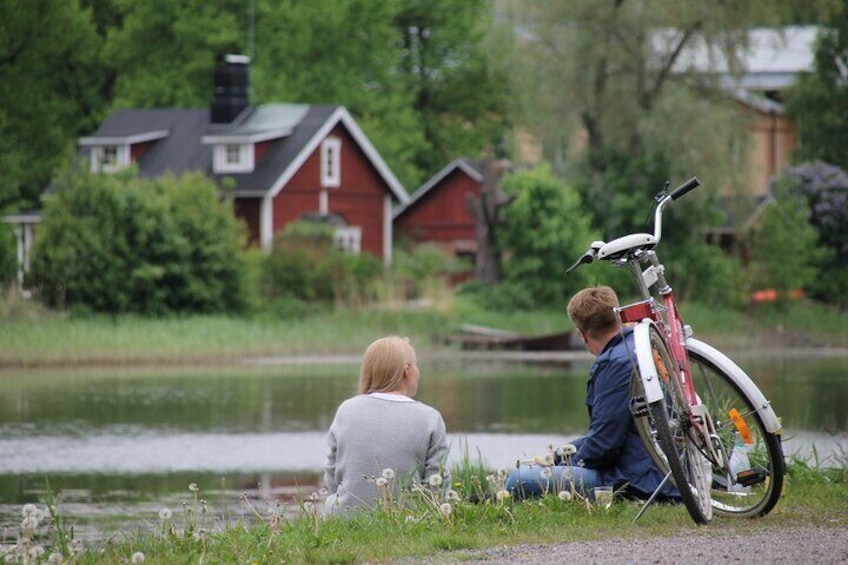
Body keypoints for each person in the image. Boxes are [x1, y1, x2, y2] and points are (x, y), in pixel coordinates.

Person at [505, 286, 679, 503]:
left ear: (582, 334)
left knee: (518, 479)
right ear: (619, 318)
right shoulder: (641, 345)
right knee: (560, 456)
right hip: (666, 468)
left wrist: (570, 464)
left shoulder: (614, 364)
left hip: (639, 479)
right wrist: (560, 457)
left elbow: (603, 446)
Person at [322, 336, 450, 516]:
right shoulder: (429, 417)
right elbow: (437, 484)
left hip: (344, 516)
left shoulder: (346, 410)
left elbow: (331, 475)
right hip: (408, 519)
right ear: (407, 370)